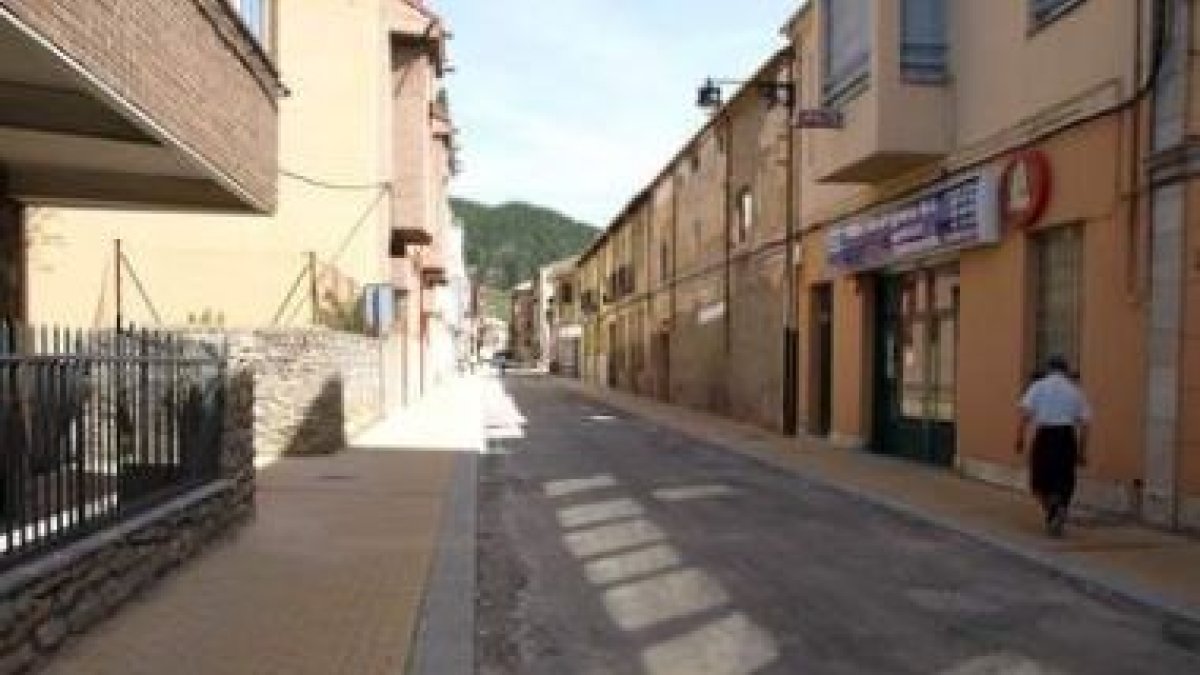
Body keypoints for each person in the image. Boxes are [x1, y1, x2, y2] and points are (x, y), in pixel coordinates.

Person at [1015, 356, 1092, 537]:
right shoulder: (1075, 390)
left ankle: (1052, 509)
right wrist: (1082, 451)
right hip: (1066, 437)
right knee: (1064, 478)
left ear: (1049, 368)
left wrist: (1019, 438)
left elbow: (1025, 414)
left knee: (1039, 479)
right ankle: (1060, 507)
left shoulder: (1039, 386)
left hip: (1045, 435)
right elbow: (1086, 424)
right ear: (1065, 370)